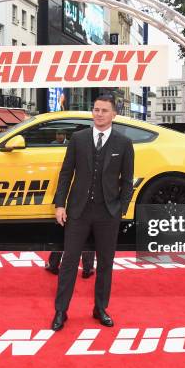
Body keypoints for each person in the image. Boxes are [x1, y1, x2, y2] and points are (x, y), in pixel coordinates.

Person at [51, 95, 134, 331]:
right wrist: (60, 204)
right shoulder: (78, 139)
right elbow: (66, 174)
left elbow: (127, 181)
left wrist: (121, 209)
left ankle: (100, 309)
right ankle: (61, 311)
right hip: (78, 211)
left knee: (106, 263)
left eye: (104, 110)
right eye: (96, 110)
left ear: (114, 114)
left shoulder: (124, 143)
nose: (99, 114)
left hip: (108, 213)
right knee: (68, 262)